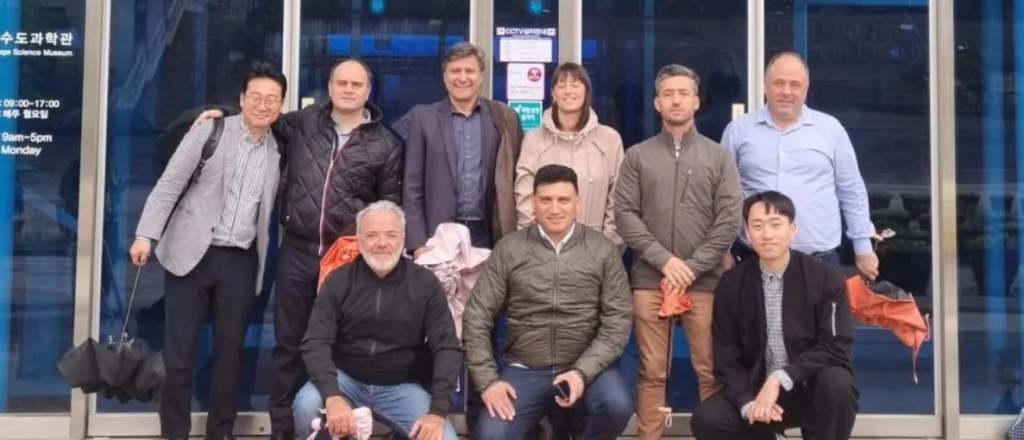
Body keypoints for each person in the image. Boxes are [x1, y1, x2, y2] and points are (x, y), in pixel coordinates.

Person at [193, 58, 404, 439]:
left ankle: (331, 429)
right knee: (288, 346)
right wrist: (223, 112)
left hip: (347, 260)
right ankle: (283, 430)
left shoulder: (385, 145)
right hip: (298, 252)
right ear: (330, 86)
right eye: (341, 82)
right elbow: (262, 114)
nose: (348, 89)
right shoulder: (305, 122)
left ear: (368, 91)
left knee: (339, 346)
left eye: (356, 84)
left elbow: (388, 208)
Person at [130, 61, 287, 440]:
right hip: (192, 255)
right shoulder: (210, 131)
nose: (262, 105)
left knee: (230, 356)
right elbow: (169, 185)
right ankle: (175, 433)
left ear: (281, 106)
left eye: (271, 100)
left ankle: (221, 431)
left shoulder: (281, 148)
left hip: (241, 260)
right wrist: (145, 235)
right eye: (255, 97)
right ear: (241, 99)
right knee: (180, 354)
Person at [613, 64, 743, 440]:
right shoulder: (637, 156)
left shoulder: (719, 157)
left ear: (696, 101)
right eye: (668, 94)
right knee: (652, 370)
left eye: (683, 93)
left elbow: (729, 220)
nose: (676, 100)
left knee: (710, 370)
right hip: (650, 280)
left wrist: (692, 266)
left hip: (705, 282)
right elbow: (625, 215)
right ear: (657, 103)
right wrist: (666, 261)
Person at [463, 164, 635, 440]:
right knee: (493, 435)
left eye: (563, 200)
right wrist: (488, 382)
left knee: (616, 407)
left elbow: (618, 322)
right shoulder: (510, 249)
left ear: (578, 204)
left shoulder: (602, 250)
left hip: (587, 366)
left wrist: (581, 372)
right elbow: (476, 315)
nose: (555, 209)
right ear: (534, 203)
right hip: (525, 368)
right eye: (546, 200)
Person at [690, 190, 858, 440]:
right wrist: (747, 402)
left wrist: (781, 378)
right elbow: (726, 356)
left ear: (793, 229)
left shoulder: (824, 277)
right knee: (708, 420)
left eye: (775, 225)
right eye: (757, 226)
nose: (767, 234)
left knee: (838, 385)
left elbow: (837, 346)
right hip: (758, 390)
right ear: (747, 234)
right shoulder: (732, 283)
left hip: (808, 384)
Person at [296, 201, 462, 440]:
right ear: (359, 240)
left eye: (391, 235)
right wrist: (332, 396)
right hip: (346, 380)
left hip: (402, 387)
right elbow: (315, 342)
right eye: (372, 235)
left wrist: (437, 412)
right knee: (306, 407)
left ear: (403, 239)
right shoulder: (339, 280)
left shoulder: (425, 284)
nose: (382, 243)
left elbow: (447, 347)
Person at [720, 51, 881, 278]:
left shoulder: (830, 130)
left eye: (794, 84)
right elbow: (723, 194)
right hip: (752, 258)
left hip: (819, 262)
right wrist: (724, 248)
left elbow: (851, 190)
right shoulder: (738, 130)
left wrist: (863, 248)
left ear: (806, 89)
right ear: (765, 86)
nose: (786, 91)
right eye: (779, 83)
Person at [402, 42, 524, 253]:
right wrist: (418, 244)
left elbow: (518, 180)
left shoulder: (504, 117)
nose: (462, 77)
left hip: (488, 234)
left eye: (469, 71)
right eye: (455, 71)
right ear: (444, 76)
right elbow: (411, 186)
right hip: (437, 235)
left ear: (481, 76)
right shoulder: (423, 118)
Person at [514, 62, 624, 245]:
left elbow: (618, 198)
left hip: (595, 249)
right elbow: (524, 196)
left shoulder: (609, 140)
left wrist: (606, 246)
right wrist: (534, 245)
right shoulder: (534, 139)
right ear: (553, 93)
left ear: (586, 92)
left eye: (575, 85)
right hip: (543, 249)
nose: (568, 91)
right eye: (561, 85)